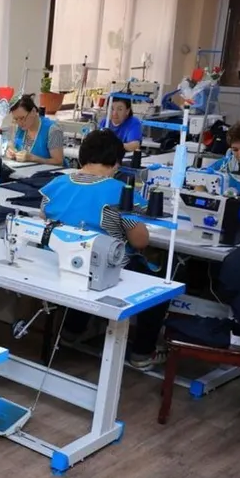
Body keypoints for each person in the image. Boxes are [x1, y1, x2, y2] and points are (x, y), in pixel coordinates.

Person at [41, 129, 167, 369]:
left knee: (84, 258)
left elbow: (45, 219)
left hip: (58, 262)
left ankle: (71, 330)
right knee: (160, 286)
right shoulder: (119, 191)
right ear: (116, 162)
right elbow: (140, 241)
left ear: (82, 157)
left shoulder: (56, 184)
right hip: (101, 270)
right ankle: (142, 353)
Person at [7, 95, 64, 165]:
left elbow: (58, 162)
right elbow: (13, 145)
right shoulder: (20, 128)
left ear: (33, 111)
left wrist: (33, 158)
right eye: (16, 119)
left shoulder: (53, 130)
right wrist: (11, 151)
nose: (19, 123)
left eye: (22, 118)